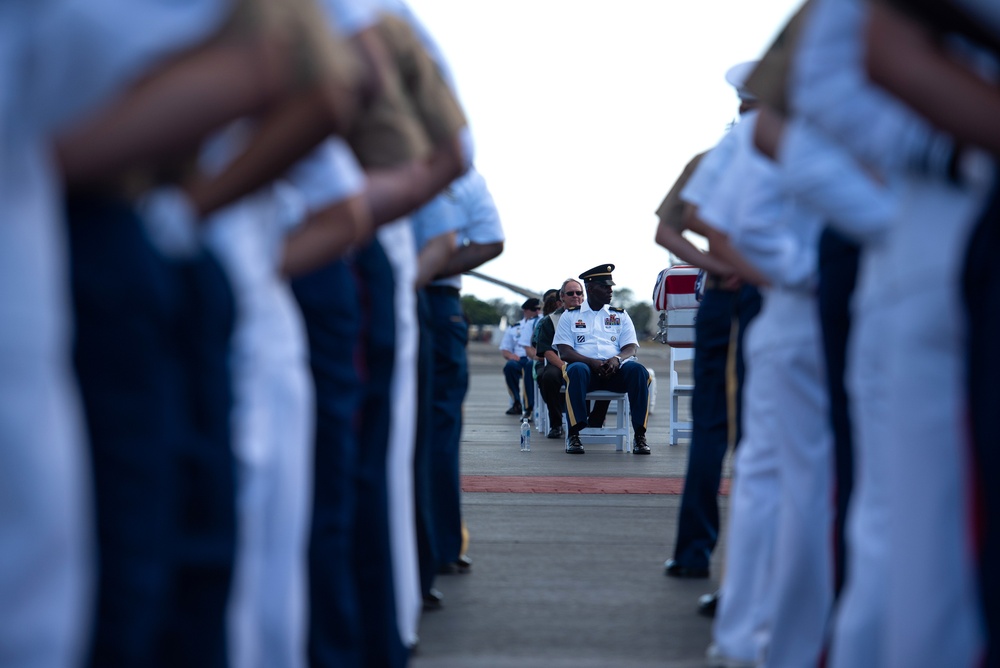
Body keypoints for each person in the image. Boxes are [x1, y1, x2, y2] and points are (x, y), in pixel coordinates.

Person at [660, 62, 763, 585]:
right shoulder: (784, 152)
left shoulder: (713, 158)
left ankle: (693, 552)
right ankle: (750, 566)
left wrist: (715, 266)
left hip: (723, 299)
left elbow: (667, 232)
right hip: (772, 297)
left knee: (709, 429)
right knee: (763, 434)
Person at [554, 264, 652, 455]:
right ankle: (574, 434)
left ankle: (640, 435)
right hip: (586, 372)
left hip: (614, 370)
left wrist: (616, 359)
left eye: (611, 287)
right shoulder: (570, 316)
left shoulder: (620, 315)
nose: (610, 291)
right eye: (605, 287)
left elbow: (630, 347)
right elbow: (564, 351)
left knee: (639, 372)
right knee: (575, 370)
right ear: (590, 289)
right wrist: (591, 362)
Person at [534, 280, 583, 438]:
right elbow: (546, 350)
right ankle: (556, 423)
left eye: (578, 293)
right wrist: (564, 367)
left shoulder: (594, 316)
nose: (575, 296)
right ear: (562, 297)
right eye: (570, 293)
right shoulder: (550, 320)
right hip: (559, 362)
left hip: (586, 361)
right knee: (548, 377)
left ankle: (594, 419)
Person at [499, 299, 541, 416]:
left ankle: (529, 406)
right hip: (520, 358)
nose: (537, 312)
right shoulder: (514, 328)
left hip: (535, 359)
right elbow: (505, 349)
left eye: (539, 309)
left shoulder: (542, 322)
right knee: (509, 366)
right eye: (534, 309)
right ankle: (516, 402)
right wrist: (511, 356)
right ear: (525, 310)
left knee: (529, 367)